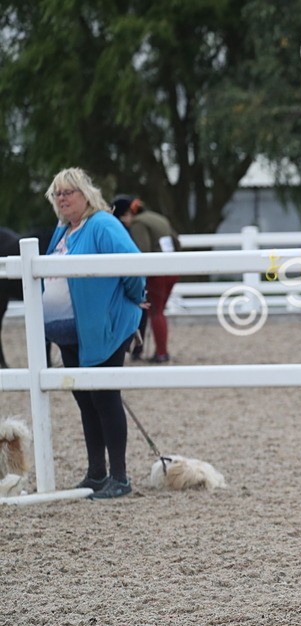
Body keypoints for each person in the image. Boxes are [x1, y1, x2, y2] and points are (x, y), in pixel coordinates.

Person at [42, 168, 144, 499]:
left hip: (103, 326)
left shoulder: (102, 224)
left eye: (68, 192)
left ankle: (120, 476)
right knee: (85, 400)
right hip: (71, 332)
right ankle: (96, 472)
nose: (62, 198)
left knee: (104, 397)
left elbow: (132, 265)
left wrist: (131, 300)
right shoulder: (62, 231)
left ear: (86, 194)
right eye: (57, 193)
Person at [112, 195, 180, 363]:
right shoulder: (159, 218)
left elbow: (142, 250)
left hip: (157, 273)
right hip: (172, 268)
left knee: (156, 312)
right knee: (159, 312)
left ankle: (162, 353)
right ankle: (161, 350)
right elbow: (177, 242)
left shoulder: (138, 224)